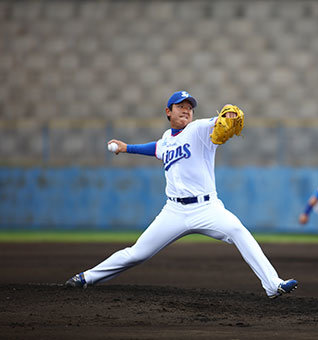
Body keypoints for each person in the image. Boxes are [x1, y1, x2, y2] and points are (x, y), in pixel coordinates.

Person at [65, 90, 298, 299]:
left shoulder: (199, 129)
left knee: (237, 230)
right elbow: (156, 148)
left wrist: (228, 117)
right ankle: (86, 277)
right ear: (168, 111)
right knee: (137, 254)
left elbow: (221, 120)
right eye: (181, 106)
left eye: (189, 107)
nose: (186, 110)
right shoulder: (167, 138)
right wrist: (127, 148)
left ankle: (273, 284)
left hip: (207, 208)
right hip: (174, 211)